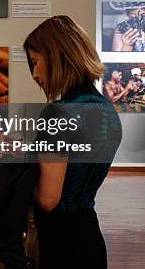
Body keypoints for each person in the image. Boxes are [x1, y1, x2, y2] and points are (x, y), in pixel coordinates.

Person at [24, 16, 121, 269]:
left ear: (56, 56)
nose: (34, 74)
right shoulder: (106, 109)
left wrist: (17, 173)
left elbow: (48, 199)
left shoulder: (58, 113)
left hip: (57, 244)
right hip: (88, 237)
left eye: (35, 63)